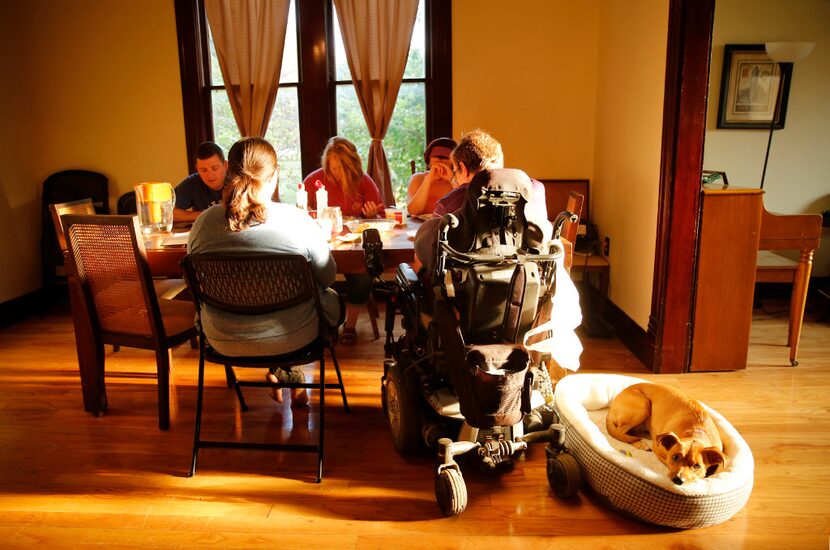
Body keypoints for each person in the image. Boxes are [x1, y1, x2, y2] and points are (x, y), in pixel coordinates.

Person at [188, 137, 341, 406]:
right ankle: (288, 370)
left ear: (228, 173)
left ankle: (286, 373)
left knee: (263, 302)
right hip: (294, 335)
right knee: (324, 299)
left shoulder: (203, 224)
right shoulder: (297, 220)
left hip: (222, 338)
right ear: (275, 175)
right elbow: (326, 276)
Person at [414, 129, 548, 272]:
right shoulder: (536, 190)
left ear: (463, 168)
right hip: (528, 282)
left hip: (469, 287)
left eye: (455, 171)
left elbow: (431, 250)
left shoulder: (452, 200)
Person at [302, 136, 384, 345]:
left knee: (363, 275)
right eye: (333, 167)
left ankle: (350, 325)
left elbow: (380, 219)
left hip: (353, 246)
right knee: (310, 273)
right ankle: (327, 324)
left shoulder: (363, 180)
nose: (337, 172)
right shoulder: (314, 180)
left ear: (353, 165)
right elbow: (302, 214)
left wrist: (372, 214)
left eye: (342, 168)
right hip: (324, 244)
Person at [302, 136, 385, 218]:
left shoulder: (363, 180)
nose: (340, 173)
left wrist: (372, 216)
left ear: (354, 165)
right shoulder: (312, 181)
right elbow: (299, 217)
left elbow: (383, 218)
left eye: (345, 169)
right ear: (327, 165)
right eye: (335, 169)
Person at [174, 141, 228, 222]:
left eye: (215, 168)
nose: (210, 175)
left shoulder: (239, 181)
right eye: (203, 170)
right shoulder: (192, 183)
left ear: (225, 165)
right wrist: (205, 215)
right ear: (197, 169)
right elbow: (168, 213)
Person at [406, 137, 457, 216]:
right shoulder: (417, 178)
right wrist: (428, 180)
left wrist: (452, 180)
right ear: (429, 161)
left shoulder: (460, 179)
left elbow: (465, 207)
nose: (440, 161)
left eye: (445, 158)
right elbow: (413, 211)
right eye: (436, 157)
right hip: (421, 225)